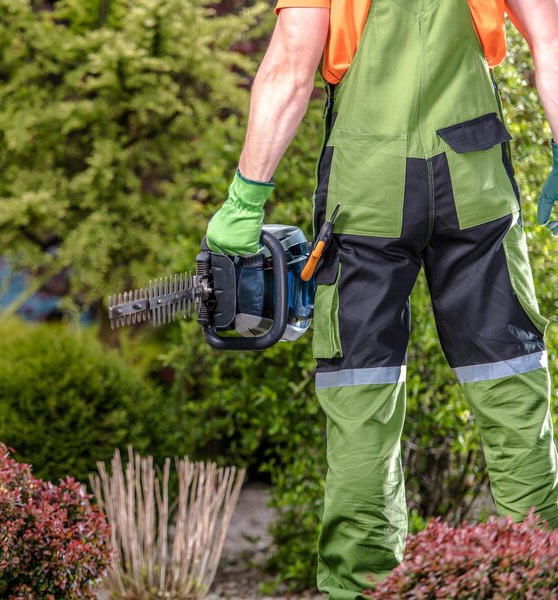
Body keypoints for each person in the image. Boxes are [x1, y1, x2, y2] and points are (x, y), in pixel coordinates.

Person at [205, 0, 558, 597]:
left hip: (367, 186)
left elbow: (291, 67)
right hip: (472, 177)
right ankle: (540, 573)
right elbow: (550, 43)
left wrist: (246, 197)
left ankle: (362, 588)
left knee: (360, 391)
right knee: (511, 383)